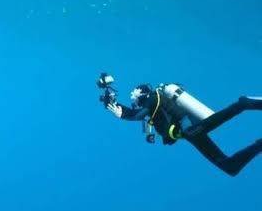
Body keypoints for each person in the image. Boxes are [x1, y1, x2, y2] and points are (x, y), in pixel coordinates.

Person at [98, 73, 262, 176]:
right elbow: (136, 114)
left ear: (142, 92)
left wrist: (123, 114)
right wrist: (113, 105)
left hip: (190, 130)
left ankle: (244, 103)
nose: (132, 96)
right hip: (189, 134)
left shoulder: (154, 98)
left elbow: (137, 115)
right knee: (230, 167)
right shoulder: (150, 108)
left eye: (134, 93)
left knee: (225, 115)